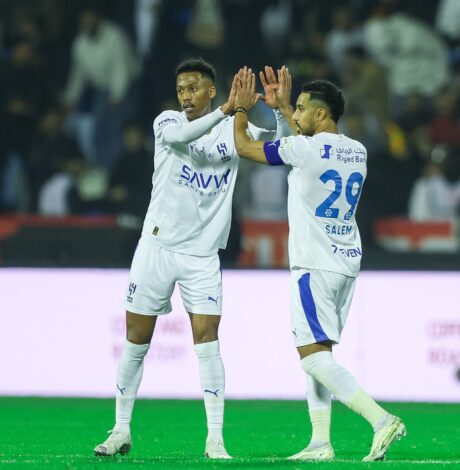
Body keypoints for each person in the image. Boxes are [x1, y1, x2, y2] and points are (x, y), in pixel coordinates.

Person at [93, 59, 291, 459]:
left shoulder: (235, 128)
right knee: (136, 340)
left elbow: (281, 151)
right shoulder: (167, 122)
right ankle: (120, 429)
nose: (185, 96)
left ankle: (215, 439)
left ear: (210, 90)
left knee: (207, 341)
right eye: (181, 88)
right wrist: (229, 109)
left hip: (202, 255)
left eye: (193, 88)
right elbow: (184, 137)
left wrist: (278, 111)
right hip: (157, 247)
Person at [231, 69, 406, 461]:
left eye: (303, 109)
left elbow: (244, 147)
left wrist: (242, 109)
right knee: (320, 354)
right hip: (345, 262)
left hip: (314, 263)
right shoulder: (357, 150)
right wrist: (281, 112)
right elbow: (298, 144)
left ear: (322, 115)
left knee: (311, 355)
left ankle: (380, 420)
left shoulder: (303, 149)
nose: (296, 114)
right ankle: (320, 443)